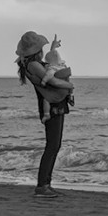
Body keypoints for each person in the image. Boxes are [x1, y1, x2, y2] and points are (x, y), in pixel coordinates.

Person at [15, 31, 75, 200]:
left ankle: (45, 184)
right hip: (52, 103)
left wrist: (53, 48)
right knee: (53, 145)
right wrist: (70, 85)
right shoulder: (33, 65)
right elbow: (52, 81)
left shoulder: (30, 63)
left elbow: (49, 68)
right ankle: (42, 185)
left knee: (54, 145)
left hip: (52, 103)